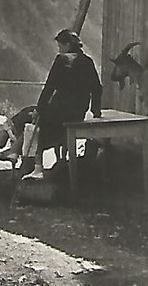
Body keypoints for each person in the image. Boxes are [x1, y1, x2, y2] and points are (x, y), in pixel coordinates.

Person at [28, 29, 102, 179]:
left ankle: (38, 166)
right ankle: (60, 161)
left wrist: (39, 109)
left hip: (60, 111)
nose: (59, 50)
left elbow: (49, 87)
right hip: (78, 112)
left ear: (68, 45)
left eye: (60, 46)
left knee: (38, 123)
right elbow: (97, 88)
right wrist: (96, 111)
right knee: (58, 126)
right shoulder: (88, 61)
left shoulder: (61, 60)